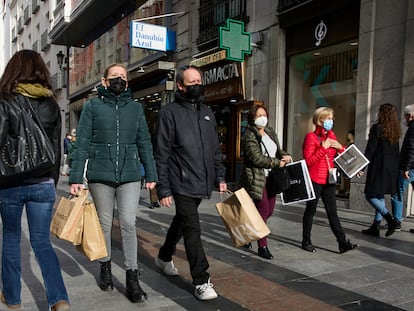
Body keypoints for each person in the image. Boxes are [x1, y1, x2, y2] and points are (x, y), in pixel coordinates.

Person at [69, 63, 157, 303]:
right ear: (105, 81)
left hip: (129, 175)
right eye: (115, 76)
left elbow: (145, 143)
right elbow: (83, 142)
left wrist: (151, 174)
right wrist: (76, 176)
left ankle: (132, 277)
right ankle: (105, 266)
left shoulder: (136, 109)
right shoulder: (93, 107)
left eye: (123, 76)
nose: (119, 79)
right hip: (100, 176)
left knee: (128, 222)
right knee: (104, 224)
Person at [0, 50, 70, 311]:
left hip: (9, 184)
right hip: (42, 184)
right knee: (41, 241)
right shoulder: (51, 103)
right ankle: (59, 299)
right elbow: (55, 149)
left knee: (10, 237)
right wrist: (50, 182)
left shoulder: (5, 101)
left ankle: (13, 299)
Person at [153, 65, 227, 301]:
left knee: (182, 222)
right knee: (192, 227)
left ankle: (164, 255)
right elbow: (161, 153)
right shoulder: (169, 113)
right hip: (181, 180)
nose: (196, 85)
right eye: (191, 82)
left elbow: (215, 149)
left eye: (198, 81)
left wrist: (220, 176)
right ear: (181, 86)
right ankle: (201, 280)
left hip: (201, 180)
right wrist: (163, 188)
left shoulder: (207, 112)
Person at [238, 104, 292, 259]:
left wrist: (285, 156)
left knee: (269, 211)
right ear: (252, 119)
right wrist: (276, 163)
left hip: (273, 177)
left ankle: (248, 232)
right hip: (257, 178)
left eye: (264, 114)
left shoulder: (270, 131)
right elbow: (256, 158)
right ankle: (263, 246)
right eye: (258, 115)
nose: (262, 118)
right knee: (263, 211)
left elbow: (277, 150)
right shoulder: (249, 135)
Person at [302, 107, 358, 253]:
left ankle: (342, 242)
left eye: (332, 118)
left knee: (332, 212)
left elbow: (345, 158)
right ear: (319, 120)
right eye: (328, 118)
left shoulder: (332, 136)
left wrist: (341, 147)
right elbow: (308, 162)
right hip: (314, 179)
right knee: (311, 210)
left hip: (329, 180)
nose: (330, 121)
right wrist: (323, 148)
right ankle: (306, 240)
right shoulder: (311, 137)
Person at [358, 103, 401, 237]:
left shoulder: (377, 128)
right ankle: (375, 226)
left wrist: (362, 166)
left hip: (378, 166)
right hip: (391, 168)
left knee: (370, 194)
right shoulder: (396, 129)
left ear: (381, 114)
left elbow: (370, 149)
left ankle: (390, 219)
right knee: (379, 195)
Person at [391, 104, 414, 232]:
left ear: (410, 116)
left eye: (405, 116)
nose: (404, 119)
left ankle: (397, 221)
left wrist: (406, 167)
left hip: (409, 168)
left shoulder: (412, 128)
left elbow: (411, 149)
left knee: (397, 193)